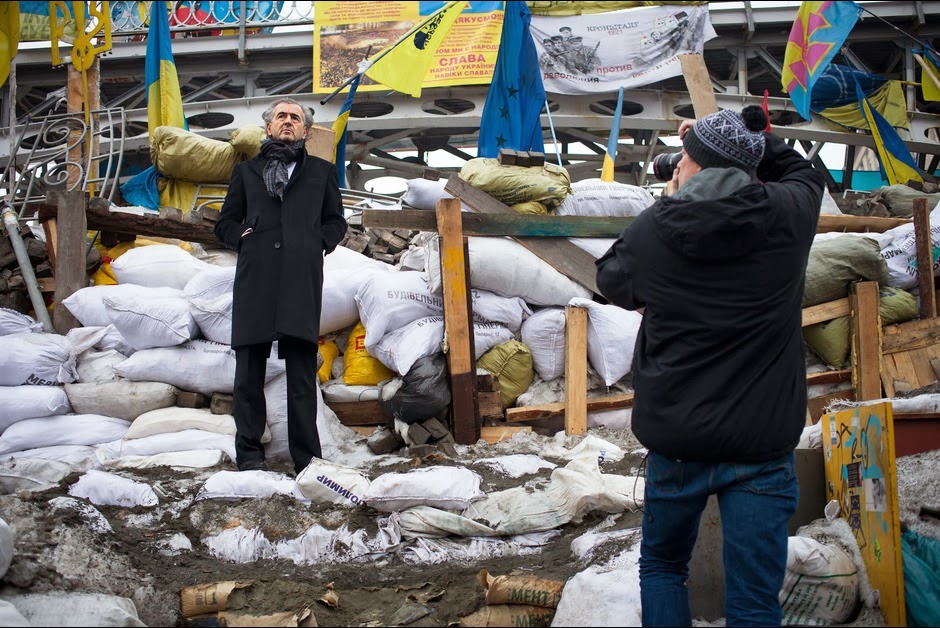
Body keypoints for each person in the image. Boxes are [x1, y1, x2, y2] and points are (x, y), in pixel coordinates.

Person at [595, 105, 824, 626]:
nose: (675, 165)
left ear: (694, 164)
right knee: (753, 600)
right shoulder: (790, 214)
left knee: (662, 568)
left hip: (679, 440)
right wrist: (747, 138)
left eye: (684, 158)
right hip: (762, 442)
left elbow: (611, 278)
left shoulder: (657, 229)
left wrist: (671, 200)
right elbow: (804, 170)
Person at [215, 97, 348, 475]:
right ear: (269, 127)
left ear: (305, 130)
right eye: (281, 116)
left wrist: (316, 243)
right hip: (256, 278)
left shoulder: (321, 172)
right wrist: (244, 237)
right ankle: (250, 454)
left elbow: (336, 221)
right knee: (249, 372)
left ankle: (306, 457)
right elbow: (224, 223)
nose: (288, 122)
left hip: (299, 280)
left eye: (295, 117)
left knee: (302, 373)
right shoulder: (247, 173)